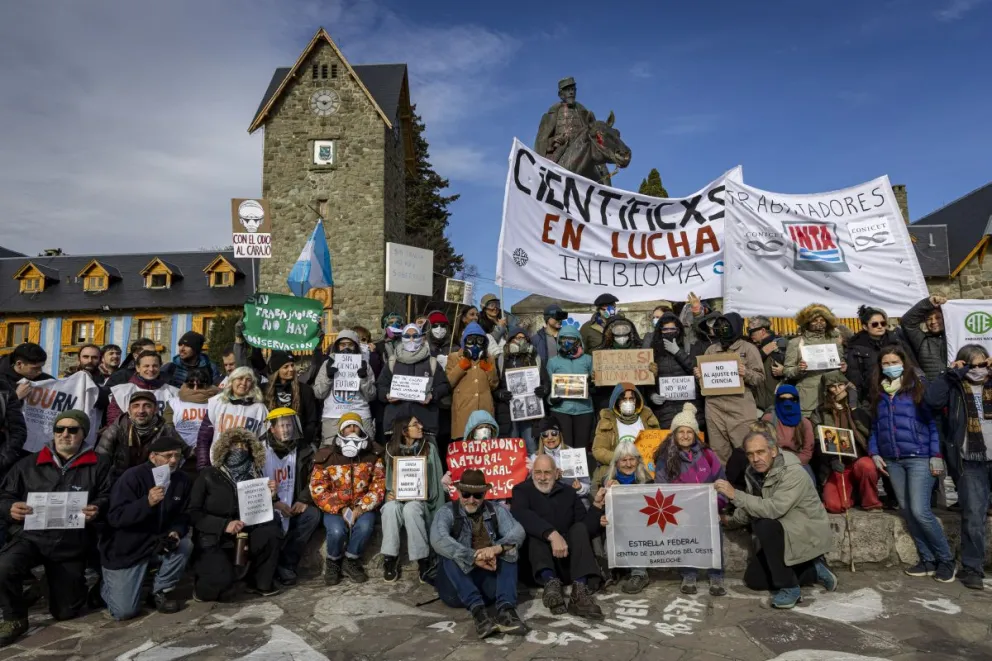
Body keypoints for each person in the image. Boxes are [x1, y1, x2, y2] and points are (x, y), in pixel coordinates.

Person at [0, 410, 112, 646]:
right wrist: (10, 507)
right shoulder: (28, 463)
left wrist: (97, 508)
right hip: (30, 537)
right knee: (4, 567)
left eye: (73, 430)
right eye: (59, 429)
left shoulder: (99, 464)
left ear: (84, 434)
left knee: (66, 611)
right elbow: (5, 495)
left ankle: (49, 584)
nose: (65, 434)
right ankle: (15, 617)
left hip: (70, 543)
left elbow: (108, 495)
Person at [715, 426, 836, 609]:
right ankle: (812, 570)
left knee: (764, 524)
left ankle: (790, 587)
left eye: (760, 452)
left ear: (772, 451)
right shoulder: (753, 472)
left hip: (803, 531)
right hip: (782, 533)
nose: (755, 459)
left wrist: (735, 495)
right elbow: (752, 506)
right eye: (750, 454)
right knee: (754, 580)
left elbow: (773, 509)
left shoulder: (792, 472)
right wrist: (729, 521)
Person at [868, 345, 954, 581]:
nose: (890, 366)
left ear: (904, 364)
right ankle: (927, 559)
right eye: (885, 363)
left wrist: (936, 455)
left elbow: (932, 424)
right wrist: (875, 452)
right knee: (907, 511)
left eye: (894, 362)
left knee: (920, 511)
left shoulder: (917, 388)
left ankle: (946, 560)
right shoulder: (879, 392)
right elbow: (876, 427)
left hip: (919, 456)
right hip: (893, 459)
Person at [99, 435, 192, 620]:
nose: (173, 460)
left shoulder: (182, 479)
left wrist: (176, 531)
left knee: (185, 544)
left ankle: (159, 590)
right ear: (153, 457)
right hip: (128, 547)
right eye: (167, 456)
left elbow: (184, 514)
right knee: (124, 612)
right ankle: (106, 586)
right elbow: (116, 517)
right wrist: (146, 503)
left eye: (177, 456)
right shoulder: (132, 477)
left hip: (159, 541)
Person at [430, 469, 527, 639]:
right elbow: (438, 539)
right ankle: (479, 614)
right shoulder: (446, 512)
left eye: (477, 495)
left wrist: (496, 548)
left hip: (488, 584)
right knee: (449, 552)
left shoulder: (496, 509)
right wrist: (473, 557)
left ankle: (506, 611)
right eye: (466, 494)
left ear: (485, 494)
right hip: (456, 589)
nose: (471, 500)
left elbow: (518, 531)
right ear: (459, 492)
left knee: (509, 548)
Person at [925, 344, 992, 589]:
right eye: (971, 366)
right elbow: (931, 401)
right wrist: (951, 374)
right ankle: (973, 569)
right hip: (970, 462)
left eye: (982, 365)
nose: (977, 370)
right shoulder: (954, 387)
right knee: (973, 516)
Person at [189, 427, 281, 600]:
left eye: (245, 446)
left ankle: (259, 582)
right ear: (224, 449)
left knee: (271, 530)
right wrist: (223, 525)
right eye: (235, 446)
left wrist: (272, 496)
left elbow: (260, 511)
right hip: (214, 537)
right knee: (218, 589)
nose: (240, 450)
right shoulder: (208, 475)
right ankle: (208, 581)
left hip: (245, 534)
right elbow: (193, 513)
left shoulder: (255, 475)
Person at [511, 454, 603, 619]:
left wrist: (596, 507)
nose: (542, 477)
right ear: (532, 473)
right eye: (538, 472)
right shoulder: (521, 490)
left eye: (547, 472)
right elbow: (521, 514)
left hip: (566, 560)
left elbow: (584, 527)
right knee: (533, 533)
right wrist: (551, 534)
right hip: (537, 565)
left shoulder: (568, 492)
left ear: (556, 473)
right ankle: (551, 585)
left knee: (579, 528)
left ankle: (579, 593)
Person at [653, 403, 727, 596]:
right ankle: (689, 573)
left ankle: (716, 574)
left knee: (713, 532)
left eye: (689, 432)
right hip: (681, 512)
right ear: (674, 434)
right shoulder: (665, 459)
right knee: (685, 533)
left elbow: (722, 484)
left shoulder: (708, 455)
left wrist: (716, 507)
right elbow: (661, 491)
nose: (685, 436)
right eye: (681, 432)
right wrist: (677, 514)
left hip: (708, 510)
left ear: (695, 434)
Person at [309, 413, 385, 586]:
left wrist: (362, 507)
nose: (352, 429)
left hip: (362, 506)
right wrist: (341, 508)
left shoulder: (373, 454)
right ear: (341, 430)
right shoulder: (326, 456)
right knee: (337, 531)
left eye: (356, 426)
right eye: (348, 426)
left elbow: (378, 485)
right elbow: (318, 488)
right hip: (335, 507)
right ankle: (333, 562)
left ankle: (351, 560)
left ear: (361, 430)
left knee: (365, 527)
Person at [695, 313, 764, 474]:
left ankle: (749, 486)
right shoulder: (712, 349)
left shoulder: (748, 348)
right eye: (719, 326)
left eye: (726, 325)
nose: (722, 329)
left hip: (740, 407)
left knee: (746, 449)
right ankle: (724, 491)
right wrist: (700, 376)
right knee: (719, 452)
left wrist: (746, 372)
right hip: (715, 407)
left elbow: (760, 378)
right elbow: (705, 383)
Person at [259, 408, 319, 587]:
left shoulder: (305, 449)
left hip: (294, 503)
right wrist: (274, 502)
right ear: (272, 429)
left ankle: (287, 564)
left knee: (313, 515)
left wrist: (304, 499)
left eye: (289, 425)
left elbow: (314, 477)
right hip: (269, 505)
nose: (286, 429)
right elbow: (252, 481)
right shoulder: (259, 450)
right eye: (281, 426)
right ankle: (268, 567)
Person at [381, 415, 445, 583]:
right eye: (415, 424)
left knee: (411, 508)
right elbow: (389, 483)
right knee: (389, 508)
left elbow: (437, 483)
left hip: (421, 501)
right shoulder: (391, 450)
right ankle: (390, 558)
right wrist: (390, 494)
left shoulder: (428, 448)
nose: (421, 426)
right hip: (399, 498)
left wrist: (436, 512)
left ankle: (423, 559)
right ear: (404, 431)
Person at [597, 441, 653, 594]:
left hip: (642, 531)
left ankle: (640, 574)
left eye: (632, 459)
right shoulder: (606, 480)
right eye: (624, 460)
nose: (628, 464)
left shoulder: (647, 480)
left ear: (638, 460)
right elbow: (600, 509)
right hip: (616, 530)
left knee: (633, 522)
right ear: (617, 463)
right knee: (607, 549)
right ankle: (611, 572)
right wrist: (602, 517)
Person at [378, 324, 451, 438]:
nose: (411, 339)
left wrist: (432, 395)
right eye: (407, 336)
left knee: (427, 454)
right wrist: (387, 395)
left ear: (421, 338)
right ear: (402, 338)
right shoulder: (393, 361)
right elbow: (381, 386)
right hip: (397, 423)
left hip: (425, 424)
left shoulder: (431, 362)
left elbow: (444, 386)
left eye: (415, 335)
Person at [196, 366, 268, 470]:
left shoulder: (260, 409)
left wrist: (259, 467)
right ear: (232, 381)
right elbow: (204, 438)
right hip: (218, 465)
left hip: (247, 467)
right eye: (240, 378)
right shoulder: (217, 402)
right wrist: (203, 466)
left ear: (252, 384)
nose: (243, 383)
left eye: (248, 380)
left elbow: (263, 444)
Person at [314, 329, 377, 442]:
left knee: (365, 452)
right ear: (337, 346)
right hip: (333, 416)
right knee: (332, 453)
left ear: (356, 346)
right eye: (342, 345)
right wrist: (329, 377)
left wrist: (363, 379)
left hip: (360, 415)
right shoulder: (327, 364)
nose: (346, 348)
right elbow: (318, 393)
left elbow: (371, 396)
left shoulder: (364, 365)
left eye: (350, 345)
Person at [783, 303, 846, 416]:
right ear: (807, 323)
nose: (819, 323)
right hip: (807, 398)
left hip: (832, 397)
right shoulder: (796, 343)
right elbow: (787, 370)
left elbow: (839, 369)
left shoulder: (834, 342)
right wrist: (799, 369)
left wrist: (843, 367)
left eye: (822, 320)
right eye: (814, 320)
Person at [592, 382, 660, 486]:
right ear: (617, 401)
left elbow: (658, 445)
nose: (628, 402)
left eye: (631, 399)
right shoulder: (607, 420)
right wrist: (620, 459)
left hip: (643, 469)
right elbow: (598, 450)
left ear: (636, 400)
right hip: (616, 470)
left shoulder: (647, 417)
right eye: (624, 399)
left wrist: (639, 460)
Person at [98, 390, 178, 476]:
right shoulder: (116, 429)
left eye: (147, 406)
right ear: (129, 410)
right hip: (120, 480)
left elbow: (184, 455)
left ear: (155, 410)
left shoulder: (166, 430)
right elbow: (100, 461)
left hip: (153, 481)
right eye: (136, 406)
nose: (141, 411)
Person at [494, 327, 549, 447]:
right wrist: (500, 394)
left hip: (530, 412)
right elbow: (493, 385)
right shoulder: (502, 359)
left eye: (524, 338)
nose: (521, 341)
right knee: (512, 446)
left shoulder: (535, 358)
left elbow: (545, 381)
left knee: (530, 445)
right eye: (518, 338)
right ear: (510, 340)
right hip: (508, 410)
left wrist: (543, 390)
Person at [648, 311, 703, 429]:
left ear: (678, 330)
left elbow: (695, 370)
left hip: (690, 407)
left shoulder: (689, 346)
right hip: (665, 410)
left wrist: (678, 352)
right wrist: (651, 395)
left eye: (672, 329)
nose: (669, 332)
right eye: (665, 330)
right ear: (660, 331)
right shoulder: (653, 351)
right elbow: (647, 379)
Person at [446, 322, 499, 441]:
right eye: (470, 340)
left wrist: (489, 369)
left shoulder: (489, 358)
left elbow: (494, 384)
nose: (475, 344)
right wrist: (461, 366)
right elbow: (448, 383)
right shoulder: (454, 357)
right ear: (464, 341)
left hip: (484, 414)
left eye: (479, 340)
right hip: (463, 412)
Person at [846, 306, 906, 407]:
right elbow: (855, 379)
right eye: (875, 324)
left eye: (883, 323)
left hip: (900, 394)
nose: (880, 326)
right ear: (865, 327)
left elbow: (908, 365)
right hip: (872, 398)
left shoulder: (896, 341)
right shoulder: (856, 348)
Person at [546, 325, 595, 450]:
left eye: (571, 339)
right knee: (564, 448)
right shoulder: (553, 362)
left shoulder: (589, 360)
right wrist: (551, 399)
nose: (566, 342)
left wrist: (592, 385)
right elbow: (547, 387)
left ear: (578, 341)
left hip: (584, 410)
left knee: (581, 449)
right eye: (563, 339)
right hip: (561, 410)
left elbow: (596, 383)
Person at [760, 384, 815, 484]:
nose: (787, 403)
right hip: (773, 462)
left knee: (809, 485)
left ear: (796, 400)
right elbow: (762, 446)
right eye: (783, 399)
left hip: (798, 463)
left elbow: (807, 453)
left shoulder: (805, 423)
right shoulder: (769, 419)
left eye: (791, 399)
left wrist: (791, 465)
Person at [106, 350, 177, 427]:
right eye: (146, 366)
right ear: (138, 368)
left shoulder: (174, 392)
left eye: (155, 366)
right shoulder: (122, 392)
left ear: (160, 367)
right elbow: (114, 422)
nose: (151, 369)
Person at [163, 367, 219, 465]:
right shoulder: (173, 403)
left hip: (209, 455)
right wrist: (185, 449)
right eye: (191, 385)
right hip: (180, 454)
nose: (195, 389)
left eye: (200, 385)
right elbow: (168, 428)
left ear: (208, 385)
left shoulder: (217, 403)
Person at [262, 351, 318, 445]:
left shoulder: (305, 390)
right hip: (270, 444)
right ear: (277, 370)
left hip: (298, 445)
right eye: (286, 367)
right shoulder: (264, 389)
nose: (291, 369)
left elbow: (311, 419)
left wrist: (304, 441)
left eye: (292, 365)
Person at [529, 417, 590, 500]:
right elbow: (531, 488)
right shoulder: (535, 458)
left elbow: (587, 486)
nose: (550, 437)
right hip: (546, 499)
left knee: (584, 501)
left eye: (554, 433)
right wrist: (553, 478)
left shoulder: (574, 454)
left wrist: (580, 488)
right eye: (545, 434)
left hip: (571, 497)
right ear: (541, 438)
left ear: (560, 434)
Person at [902, 295, 948, 382]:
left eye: (938, 318)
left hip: (955, 391)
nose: (933, 322)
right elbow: (907, 322)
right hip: (931, 391)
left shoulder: (954, 337)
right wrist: (928, 303)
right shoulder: (921, 340)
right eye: (928, 319)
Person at [747, 316, 788, 412]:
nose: (750, 334)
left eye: (752, 331)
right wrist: (762, 354)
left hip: (778, 403)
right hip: (758, 404)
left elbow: (796, 368)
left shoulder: (782, 344)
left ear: (763, 330)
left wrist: (784, 370)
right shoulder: (752, 347)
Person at [579, 294, 619, 358]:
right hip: (596, 366)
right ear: (599, 309)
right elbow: (581, 352)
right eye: (606, 306)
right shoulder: (587, 327)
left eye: (612, 305)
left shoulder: (624, 325)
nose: (610, 309)